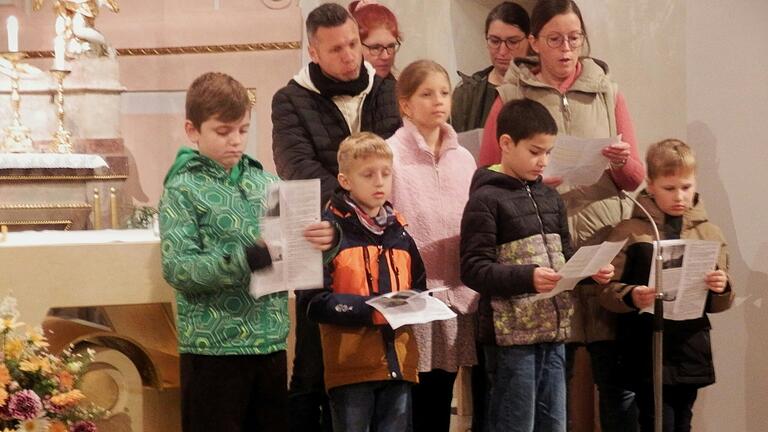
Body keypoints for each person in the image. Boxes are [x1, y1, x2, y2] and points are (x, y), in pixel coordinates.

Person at [475, 1, 645, 429]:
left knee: (612, 373)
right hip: (540, 250)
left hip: (601, 247)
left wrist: (620, 160)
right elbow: (486, 173)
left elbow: (634, 178)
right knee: (553, 370)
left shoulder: (607, 90)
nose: (567, 49)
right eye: (554, 39)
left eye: (574, 38)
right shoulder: (512, 95)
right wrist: (535, 180)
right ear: (533, 43)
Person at [160, 72, 335, 432]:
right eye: (223, 132)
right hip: (213, 346)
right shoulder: (182, 189)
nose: (236, 141)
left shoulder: (266, 182)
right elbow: (178, 268)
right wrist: (246, 259)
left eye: (242, 130)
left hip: (269, 340)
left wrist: (325, 244)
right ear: (192, 130)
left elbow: (296, 257)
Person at [271, 4, 401, 430]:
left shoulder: (384, 88)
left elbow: (390, 154)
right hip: (321, 243)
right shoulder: (290, 99)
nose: (349, 56)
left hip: (379, 243)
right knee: (312, 366)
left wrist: (369, 207)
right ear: (313, 51)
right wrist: (354, 209)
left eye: (353, 44)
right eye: (336, 49)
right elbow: (297, 167)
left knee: (376, 366)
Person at [460, 98, 614, 432]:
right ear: (505, 143)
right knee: (515, 424)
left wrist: (590, 272)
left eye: (548, 152)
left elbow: (563, 256)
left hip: (554, 333)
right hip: (510, 338)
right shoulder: (485, 199)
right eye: (534, 151)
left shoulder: (549, 197)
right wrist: (527, 277)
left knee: (554, 424)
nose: (543, 161)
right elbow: (473, 268)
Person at [599, 139, 734, 432]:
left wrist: (721, 286)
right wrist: (632, 295)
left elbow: (721, 299)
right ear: (650, 184)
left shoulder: (709, 231)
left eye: (686, 187)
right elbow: (606, 291)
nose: (679, 197)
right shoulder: (630, 231)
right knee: (656, 419)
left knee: (683, 419)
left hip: (689, 343)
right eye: (669, 188)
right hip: (646, 344)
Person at [306, 132, 426, 432]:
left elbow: (419, 287)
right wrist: (369, 309)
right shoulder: (327, 233)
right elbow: (313, 302)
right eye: (368, 174)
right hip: (350, 369)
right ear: (345, 181)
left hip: (398, 365)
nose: (379, 182)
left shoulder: (401, 234)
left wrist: (418, 303)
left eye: (386, 174)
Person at [386, 59, 479, 432]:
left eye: (444, 93)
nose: (438, 101)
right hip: (413, 294)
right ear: (406, 104)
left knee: (441, 396)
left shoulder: (464, 157)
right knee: (409, 400)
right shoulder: (390, 154)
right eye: (426, 94)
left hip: (456, 293)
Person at [451, 1, 530, 133]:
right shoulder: (467, 92)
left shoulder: (540, 88)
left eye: (513, 42)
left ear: (530, 41)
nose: (503, 51)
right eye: (495, 41)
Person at [349, 0, 402, 80]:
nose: (386, 56)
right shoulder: (334, 90)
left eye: (391, 46)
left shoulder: (400, 90)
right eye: (376, 48)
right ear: (354, 47)